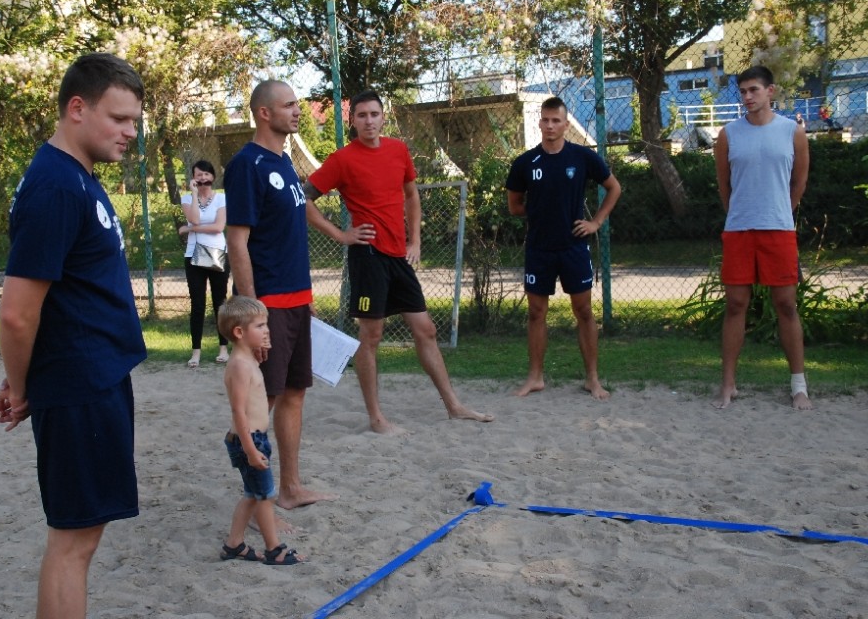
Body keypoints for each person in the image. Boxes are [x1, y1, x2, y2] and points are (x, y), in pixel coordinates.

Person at [0, 53, 147, 619]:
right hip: (79, 384)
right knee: (73, 541)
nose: (130, 132)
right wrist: (20, 386)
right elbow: (17, 314)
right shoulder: (55, 185)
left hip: (93, 377)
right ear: (77, 108)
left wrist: (23, 376)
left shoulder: (75, 177)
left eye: (135, 121)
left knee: (81, 537)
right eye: (119, 118)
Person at [304, 89, 495, 434]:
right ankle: (376, 418)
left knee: (426, 329)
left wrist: (415, 241)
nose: (369, 121)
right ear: (352, 121)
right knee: (371, 335)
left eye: (374, 114)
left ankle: (454, 406)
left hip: (398, 256)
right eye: (361, 115)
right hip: (367, 256)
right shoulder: (342, 160)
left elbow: (411, 195)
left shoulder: (398, 150)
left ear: (383, 117)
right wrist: (340, 234)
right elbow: (303, 199)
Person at [224, 79, 337, 529]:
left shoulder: (285, 162)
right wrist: (253, 311)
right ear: (264, 113)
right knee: (260, 403)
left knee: (293, 394)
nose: (297, 111)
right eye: (289, 105)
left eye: (297, 104)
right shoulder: (245, 165)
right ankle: (256, 505)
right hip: (267, 304)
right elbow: (238, 241)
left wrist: (305, 298)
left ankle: (289, 488)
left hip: (296, 301)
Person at [506, 96, 622, 400]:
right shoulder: (525, 163)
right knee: (536, 312)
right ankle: (535, 378)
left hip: (573, 248)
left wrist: (596, 222)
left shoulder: (582, 157)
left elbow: (614, 188)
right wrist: (539, 212)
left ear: (566, 124)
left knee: (583, 311)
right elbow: (514, 206)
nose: (550, 126)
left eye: (555, 120)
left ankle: (592, 379)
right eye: (545, 120)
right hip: (539, 249)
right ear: (539, 123)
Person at [714, 65, 811, 411]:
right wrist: (739, 213)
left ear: (771, 91)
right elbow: (724, 185)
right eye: (742, 91)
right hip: (739, 230)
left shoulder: (792, 132)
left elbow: (799, 181)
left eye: (753, 90)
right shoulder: (728, 134)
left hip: (779, 229)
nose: (747, 97)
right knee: (735, 305)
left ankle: (799, 386)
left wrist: (780, 210)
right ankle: (728, 384)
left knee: (786, 305)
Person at [219, 295, 305, 565]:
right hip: (249, 441)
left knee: (252, 495)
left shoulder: (248, 359)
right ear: (239, 332)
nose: (267, 330)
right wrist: (250, 450)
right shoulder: (239, 366)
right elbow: (238, 411)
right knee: (265, 497)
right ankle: (274, 549)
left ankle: (234, 544)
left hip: (256, 440)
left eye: (266, 324)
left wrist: (259, 350)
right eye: (260, 326)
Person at [179, 159, 230, 367]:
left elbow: (218, 227)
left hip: (218, 254)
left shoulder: (221, 198)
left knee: (220, 302)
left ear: (213, 177)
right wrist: (193, 194)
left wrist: (189, 229)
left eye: (206, 174)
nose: (203, 178)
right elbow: (195, 218)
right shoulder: (186, 198)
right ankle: (196, 353)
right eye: (199, 175)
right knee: (197, 304)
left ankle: (223, 349)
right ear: (193, 178)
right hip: (193, 255)